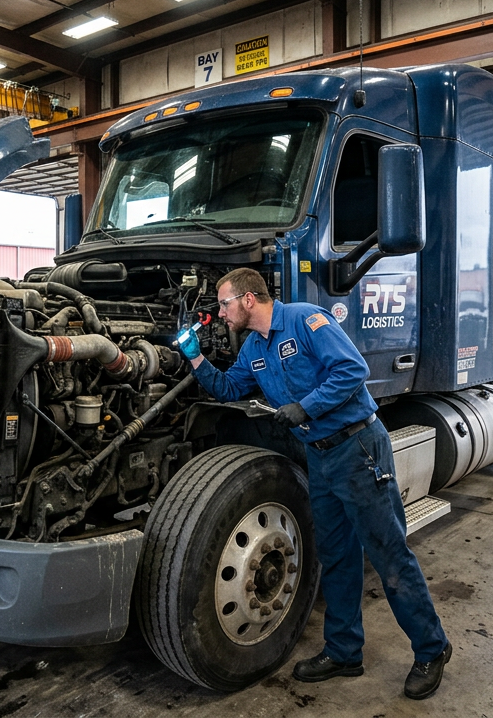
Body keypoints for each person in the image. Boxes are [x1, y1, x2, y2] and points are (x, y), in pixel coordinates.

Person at [174, 267, 451, 699]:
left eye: (225, 303)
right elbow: (229, 388)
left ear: (249, 300)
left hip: (357, 448)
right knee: (336, 556)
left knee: (389, 553)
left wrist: (305, 407)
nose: (220, 312)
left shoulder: (306, 320)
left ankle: (432, 650)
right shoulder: (253, 348)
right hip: (320, 458)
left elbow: (351, 369)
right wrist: (195, 357)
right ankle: (344, 652)